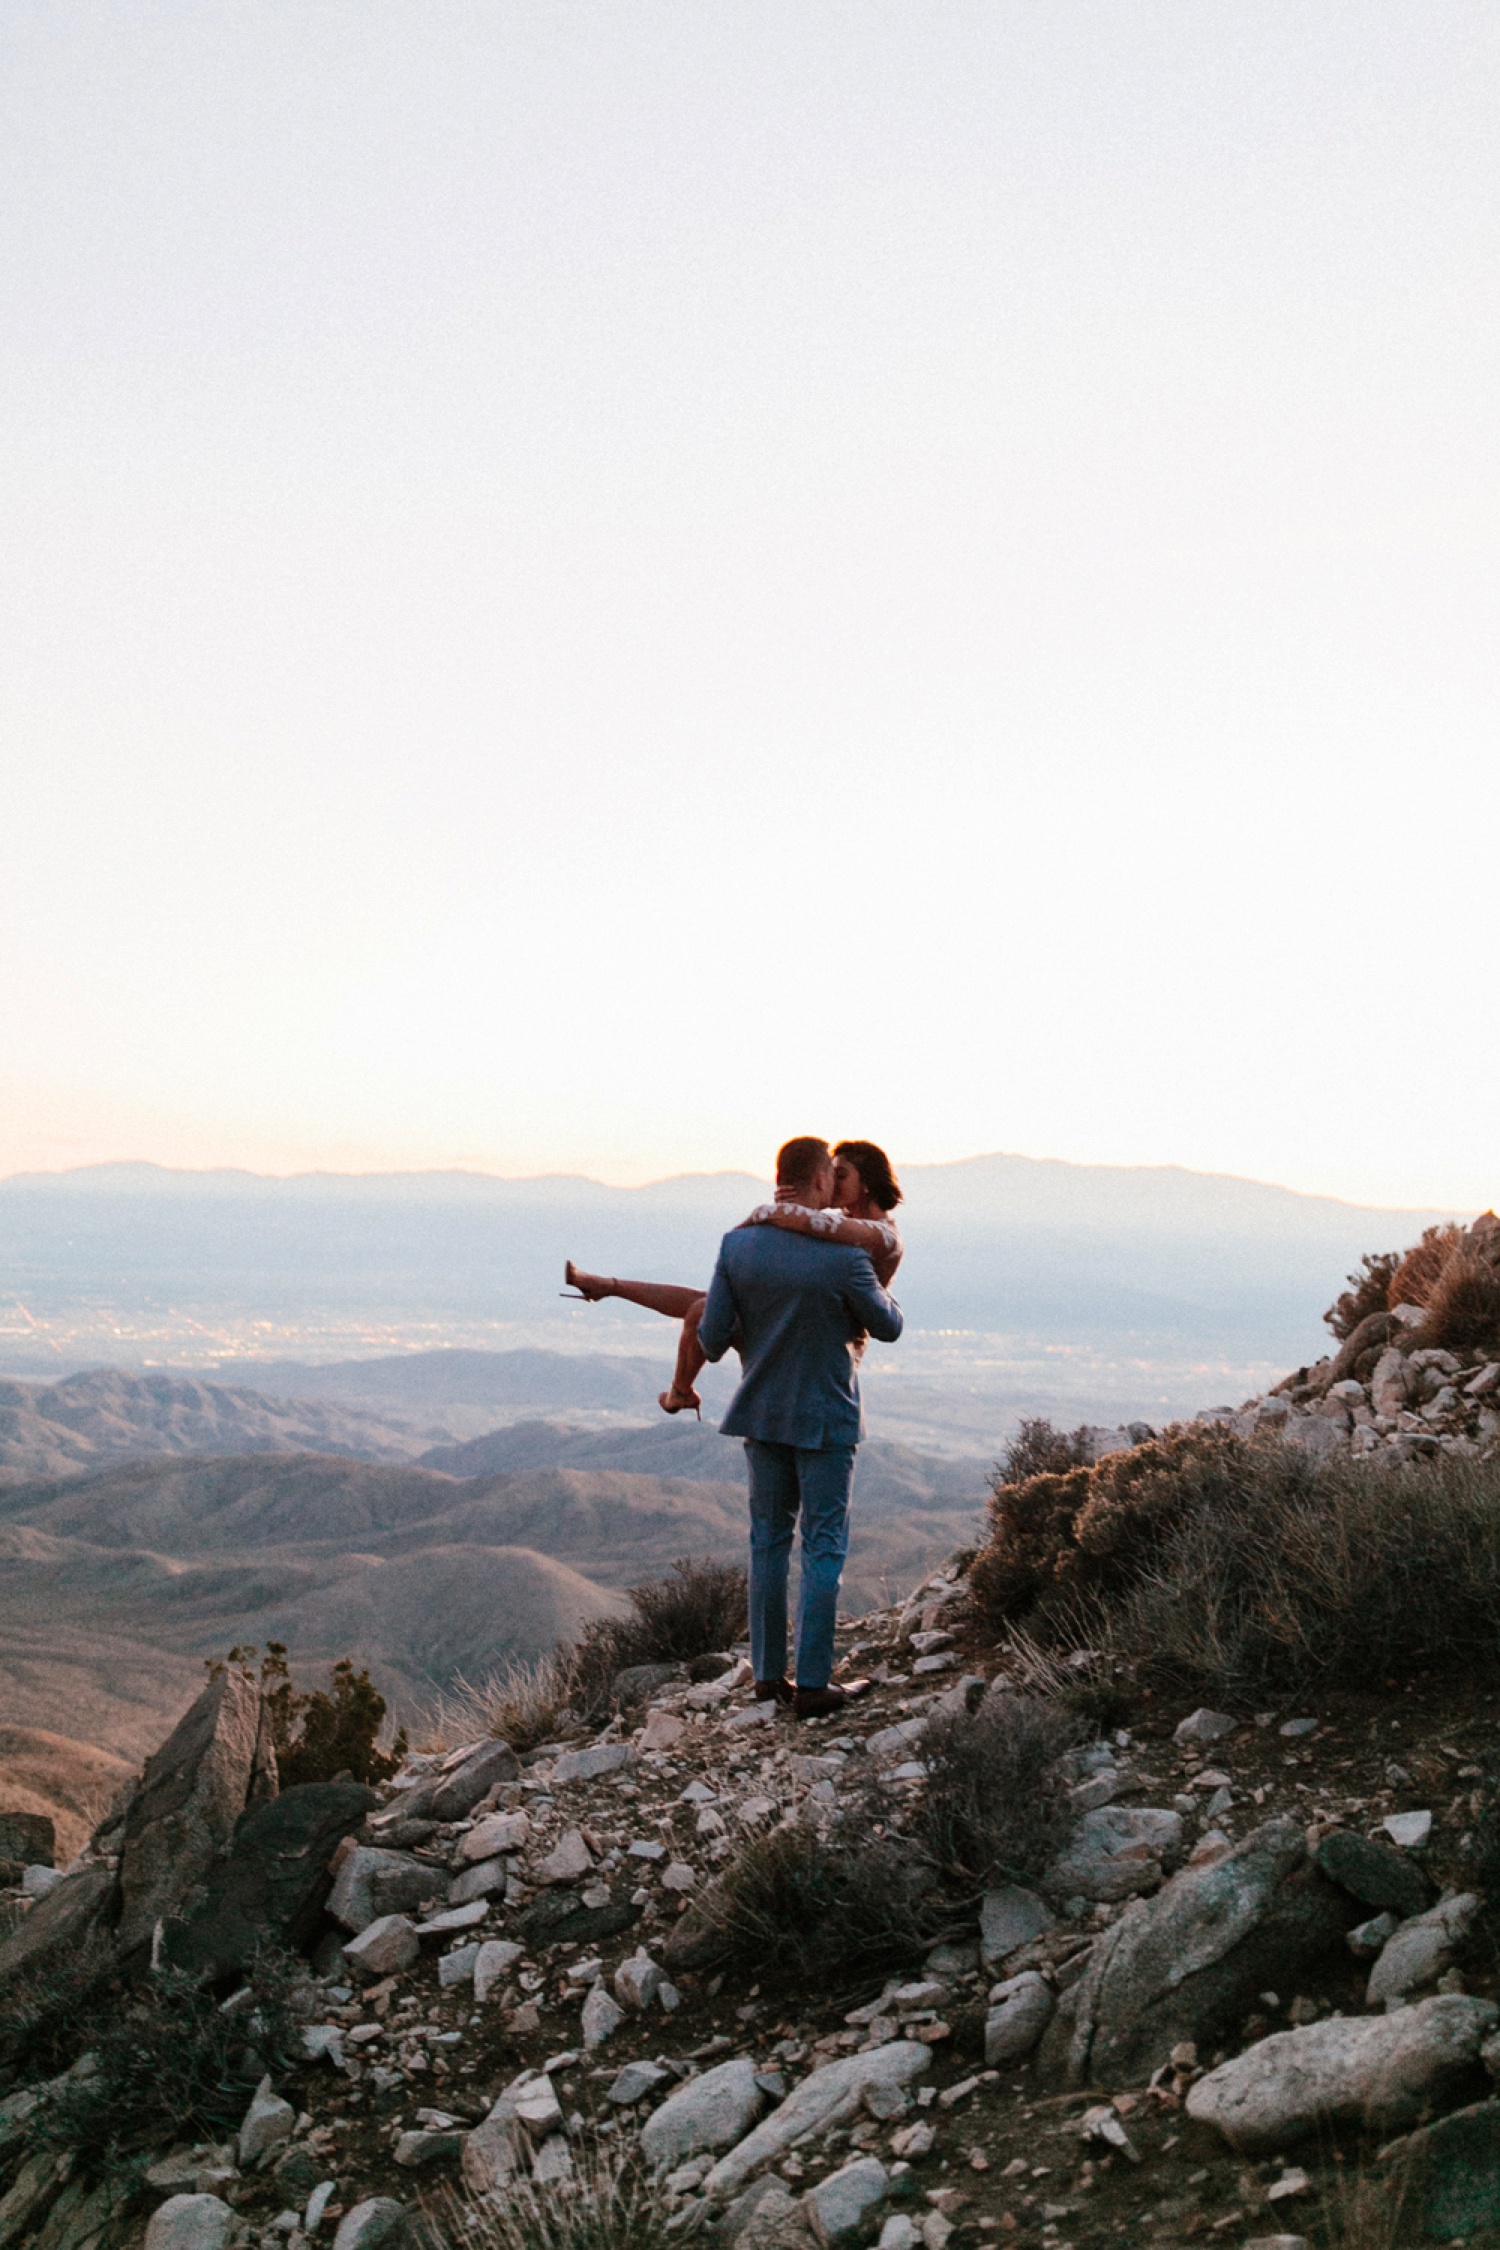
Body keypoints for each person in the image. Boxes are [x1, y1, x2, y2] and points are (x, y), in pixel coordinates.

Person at [695, 1134, 902, 1720]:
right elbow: (886, 1328)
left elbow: (710, 1340)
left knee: (767, 1543)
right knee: (823, 1547)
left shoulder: (737, 1245)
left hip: (761, 1413)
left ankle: (766, 1677)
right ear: (818, 1183)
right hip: (827, 1418)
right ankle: (812, 1683)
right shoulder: (844, 1258)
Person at [563, 1138, 903, 1415]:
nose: (831, 1179)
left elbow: (818, 1224)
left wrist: (769, 1212)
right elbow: (815, 1225)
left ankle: (679, 1392)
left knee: (700, 1311)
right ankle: (609, 1286)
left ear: (868, 1184)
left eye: (840, 1174)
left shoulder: (883, 1235)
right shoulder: (847, 1232)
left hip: (827, 1339)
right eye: (829, 1173)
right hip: (804, 1316)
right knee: (705, 1305)